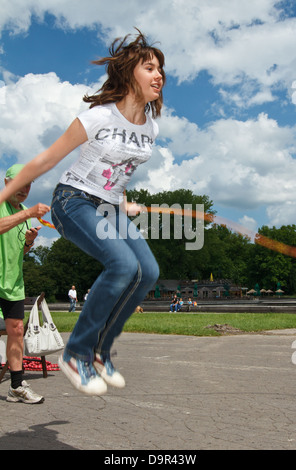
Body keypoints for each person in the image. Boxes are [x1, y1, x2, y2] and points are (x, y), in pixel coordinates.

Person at [0, 30, 165, 397]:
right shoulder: (98, 117)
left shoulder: (151, 128)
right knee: (122, 265)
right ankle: (76, 353)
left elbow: (116, 175)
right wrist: (4, 195)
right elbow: (45, 160)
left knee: (148, 270)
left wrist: (124, 202)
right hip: (72, 200)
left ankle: (100, 351)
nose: (159, 76)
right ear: (128, 74)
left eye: (161, 70)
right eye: (149, 67)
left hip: (108, 204)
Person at [0, 164, 50, 404]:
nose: (25, 189)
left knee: (17, 331)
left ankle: (17, 386)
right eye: (21, 183)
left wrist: (29, 243)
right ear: (7, 182)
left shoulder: (20, 215)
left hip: (12, 282)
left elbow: (19, 250)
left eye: (29, 184)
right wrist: (27, 214)